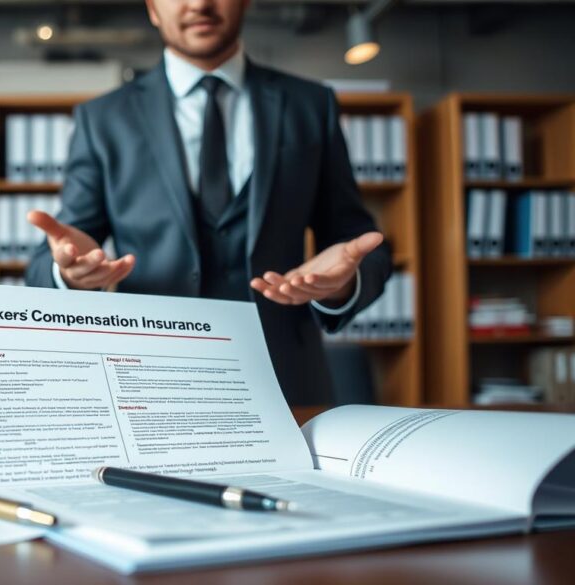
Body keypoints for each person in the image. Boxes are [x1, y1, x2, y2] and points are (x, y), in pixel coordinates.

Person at [25, 0, 392, 405]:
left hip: (285, 383)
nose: (199, 3)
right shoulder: (103, 118)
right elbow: (46, 262)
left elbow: (360, 243)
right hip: (151, 387)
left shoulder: (310, 105)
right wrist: (72, 273)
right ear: (151, 8)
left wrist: (342, 284)